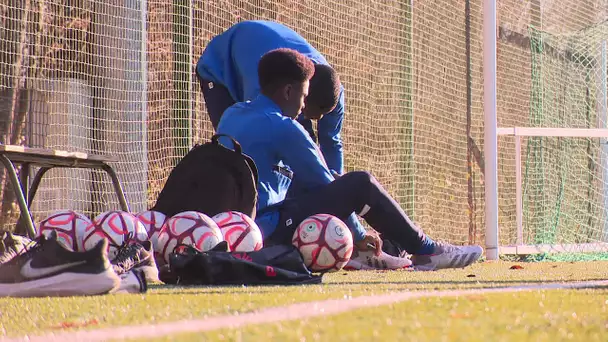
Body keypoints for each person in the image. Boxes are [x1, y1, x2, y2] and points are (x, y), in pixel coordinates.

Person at [217, 48, 483, 271]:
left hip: (231, 225)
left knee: (309, 180)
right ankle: (426, 250)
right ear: (288, 92)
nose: (303, 105)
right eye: (304, 95)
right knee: (360, 184)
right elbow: (324, 184)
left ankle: (372, 249)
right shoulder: (285, 127)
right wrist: (358, 233)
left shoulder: (232, 113)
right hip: (268, 229)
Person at [196, 20, 345, 175]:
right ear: (298, 93)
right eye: (306, 111)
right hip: (218, 69)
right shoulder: (265, 85)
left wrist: (335, 182)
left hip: (259, 44)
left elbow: (331, 141)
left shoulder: (334, 91)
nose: (317, 118)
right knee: (235, 152)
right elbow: (267, 132)